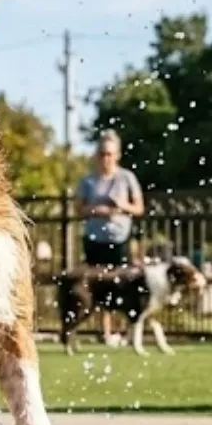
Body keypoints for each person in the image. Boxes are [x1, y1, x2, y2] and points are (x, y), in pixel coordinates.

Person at [75, 130, 145, 341]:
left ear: (117, 155)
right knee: (98, 285)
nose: (106, 158)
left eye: (110, 154)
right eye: (102, 154)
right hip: (95, 239)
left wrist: (121, 206)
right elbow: (78, 208)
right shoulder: (88, 181)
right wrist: (98, 210)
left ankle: (124, 331)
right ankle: (105, 332)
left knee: (123, 283)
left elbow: (139, 208)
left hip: (120, 238)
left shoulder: (127, 178)